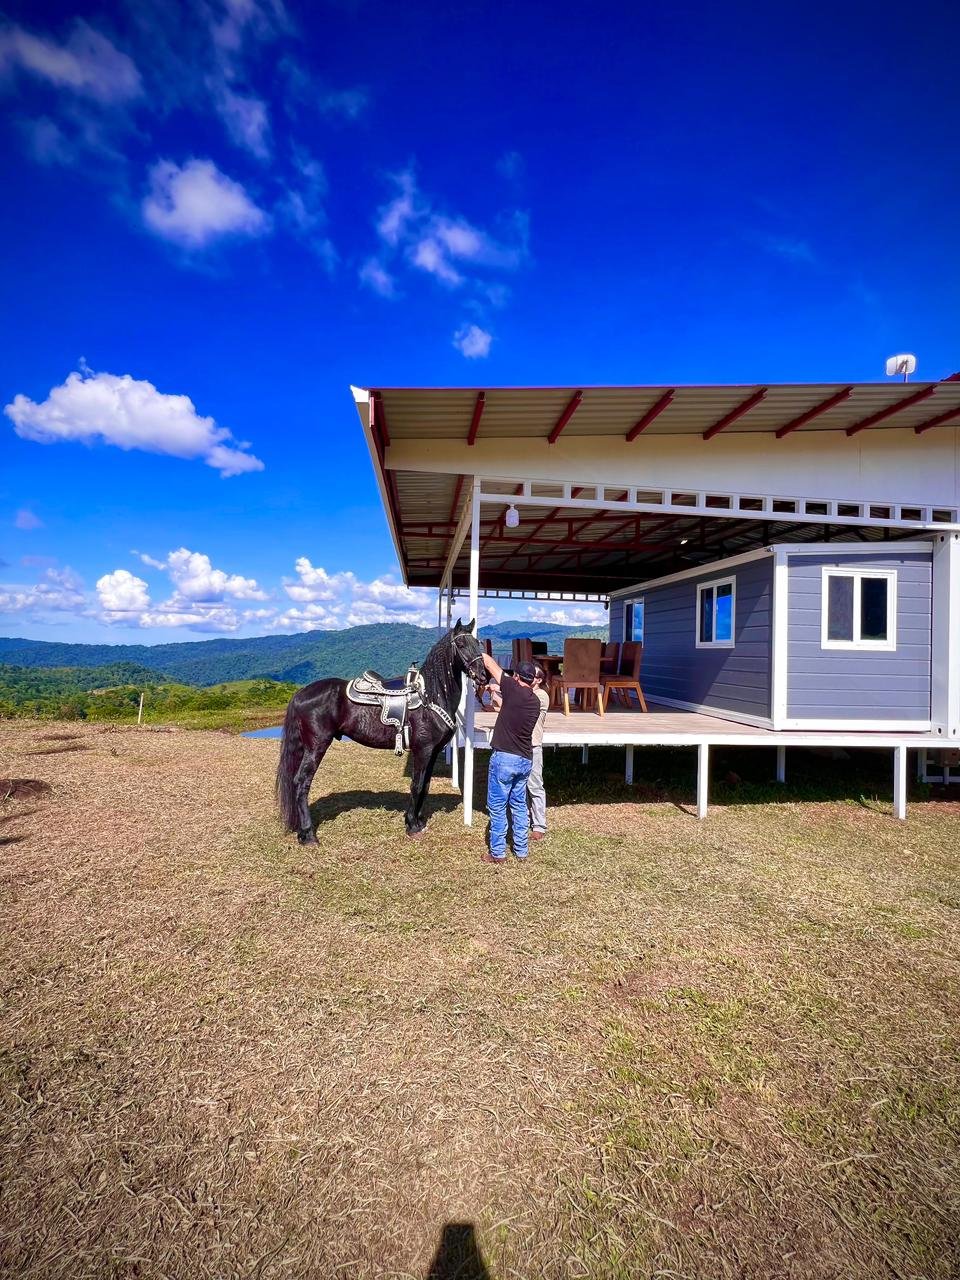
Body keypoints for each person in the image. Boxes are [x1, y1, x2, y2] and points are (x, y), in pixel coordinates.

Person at [480, 653, 543, 863]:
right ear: (532, 680)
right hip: (525, 759)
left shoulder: (511, 688)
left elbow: (490, 665)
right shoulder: (535, 701)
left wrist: (479, 650)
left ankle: (498, 852)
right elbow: (508, 706)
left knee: (497, 806)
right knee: (519, 804)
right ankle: (521, 850)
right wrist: (496, 692)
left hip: (504, 758)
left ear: (516, 677)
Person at [527, 663, 549, 840]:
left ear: (539, 680)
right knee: (520, 787)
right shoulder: (525, 693)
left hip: (533, 745)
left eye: (532, 675)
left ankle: (539, 824)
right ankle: (524, 818)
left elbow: (524, 703)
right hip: (520, 745)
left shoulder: (541, 695)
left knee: (535, 786)